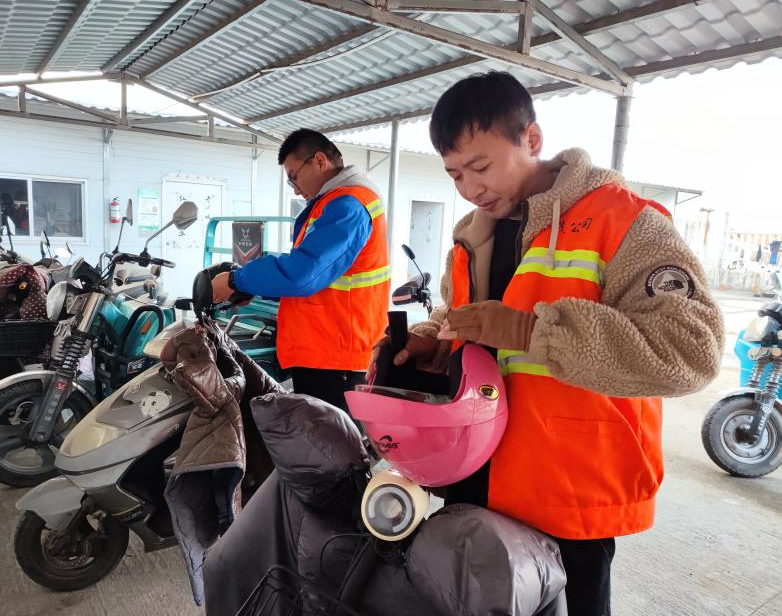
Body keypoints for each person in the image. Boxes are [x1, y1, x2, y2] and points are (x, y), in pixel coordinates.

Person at [369, 71, 724, 615]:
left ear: (531, 139)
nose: (469, 188)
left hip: (568, 491)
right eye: (455, 174)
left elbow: (691, 352)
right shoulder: (473, 233)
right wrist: (431, 341)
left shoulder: (625, 222)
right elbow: (461, 316)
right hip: (472, 475)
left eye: (481, 166)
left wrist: (530, 331)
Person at [212, 128, 390, 411]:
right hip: (326, 350)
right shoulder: (332, 203)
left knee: (330, 438)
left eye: (294, 176)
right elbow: (318, 275)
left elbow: (304, 273)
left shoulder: (348, 205)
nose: (295, 188)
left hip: (337, 357)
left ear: (319, 160)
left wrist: (236, 280)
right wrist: (251, 287)